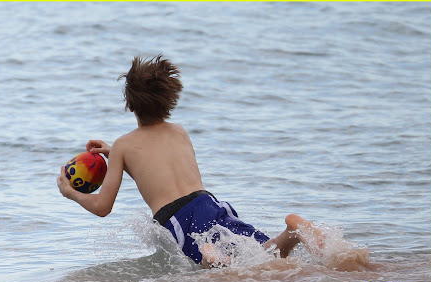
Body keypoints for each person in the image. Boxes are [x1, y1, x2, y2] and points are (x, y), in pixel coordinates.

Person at [57, 55, 324, 268]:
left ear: (130, 104)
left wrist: (71, 193)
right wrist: (115, 153)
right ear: (171, 98)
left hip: (177, 217)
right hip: (210, 203)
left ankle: (210, 257)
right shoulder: (179, 131)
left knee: (216, 265)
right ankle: (292, 231)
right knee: (263, 254)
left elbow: (103, 207)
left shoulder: (124, 146)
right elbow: (158, 165)